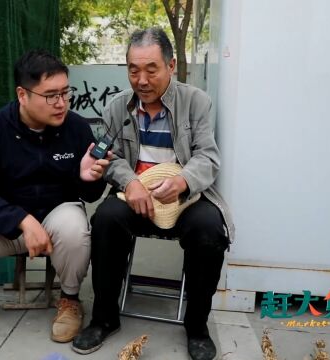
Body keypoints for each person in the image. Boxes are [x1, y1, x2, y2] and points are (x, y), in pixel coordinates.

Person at [71, 28, 235, 360]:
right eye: (134, 69)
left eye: (151, 69)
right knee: (105, 219)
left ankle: (197, 325)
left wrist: (183, 181)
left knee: (209, 229)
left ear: (171, 66)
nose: (142, 79)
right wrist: (130, 182)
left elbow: (208, 156)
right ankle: (104, 318)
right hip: (135, 198)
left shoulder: (196, 102)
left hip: (184, 199)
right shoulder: (118, 107)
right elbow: (109, 157)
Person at [0, 49, 111, 343]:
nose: (61, 103)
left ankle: (70, 299)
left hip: (57, 216)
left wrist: (89, 178)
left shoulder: (76, 128)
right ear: (23, 95)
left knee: (76, 228)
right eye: (51, 95)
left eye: (65, 92)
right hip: (7, 223)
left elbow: (90, 194)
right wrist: (22, 220)